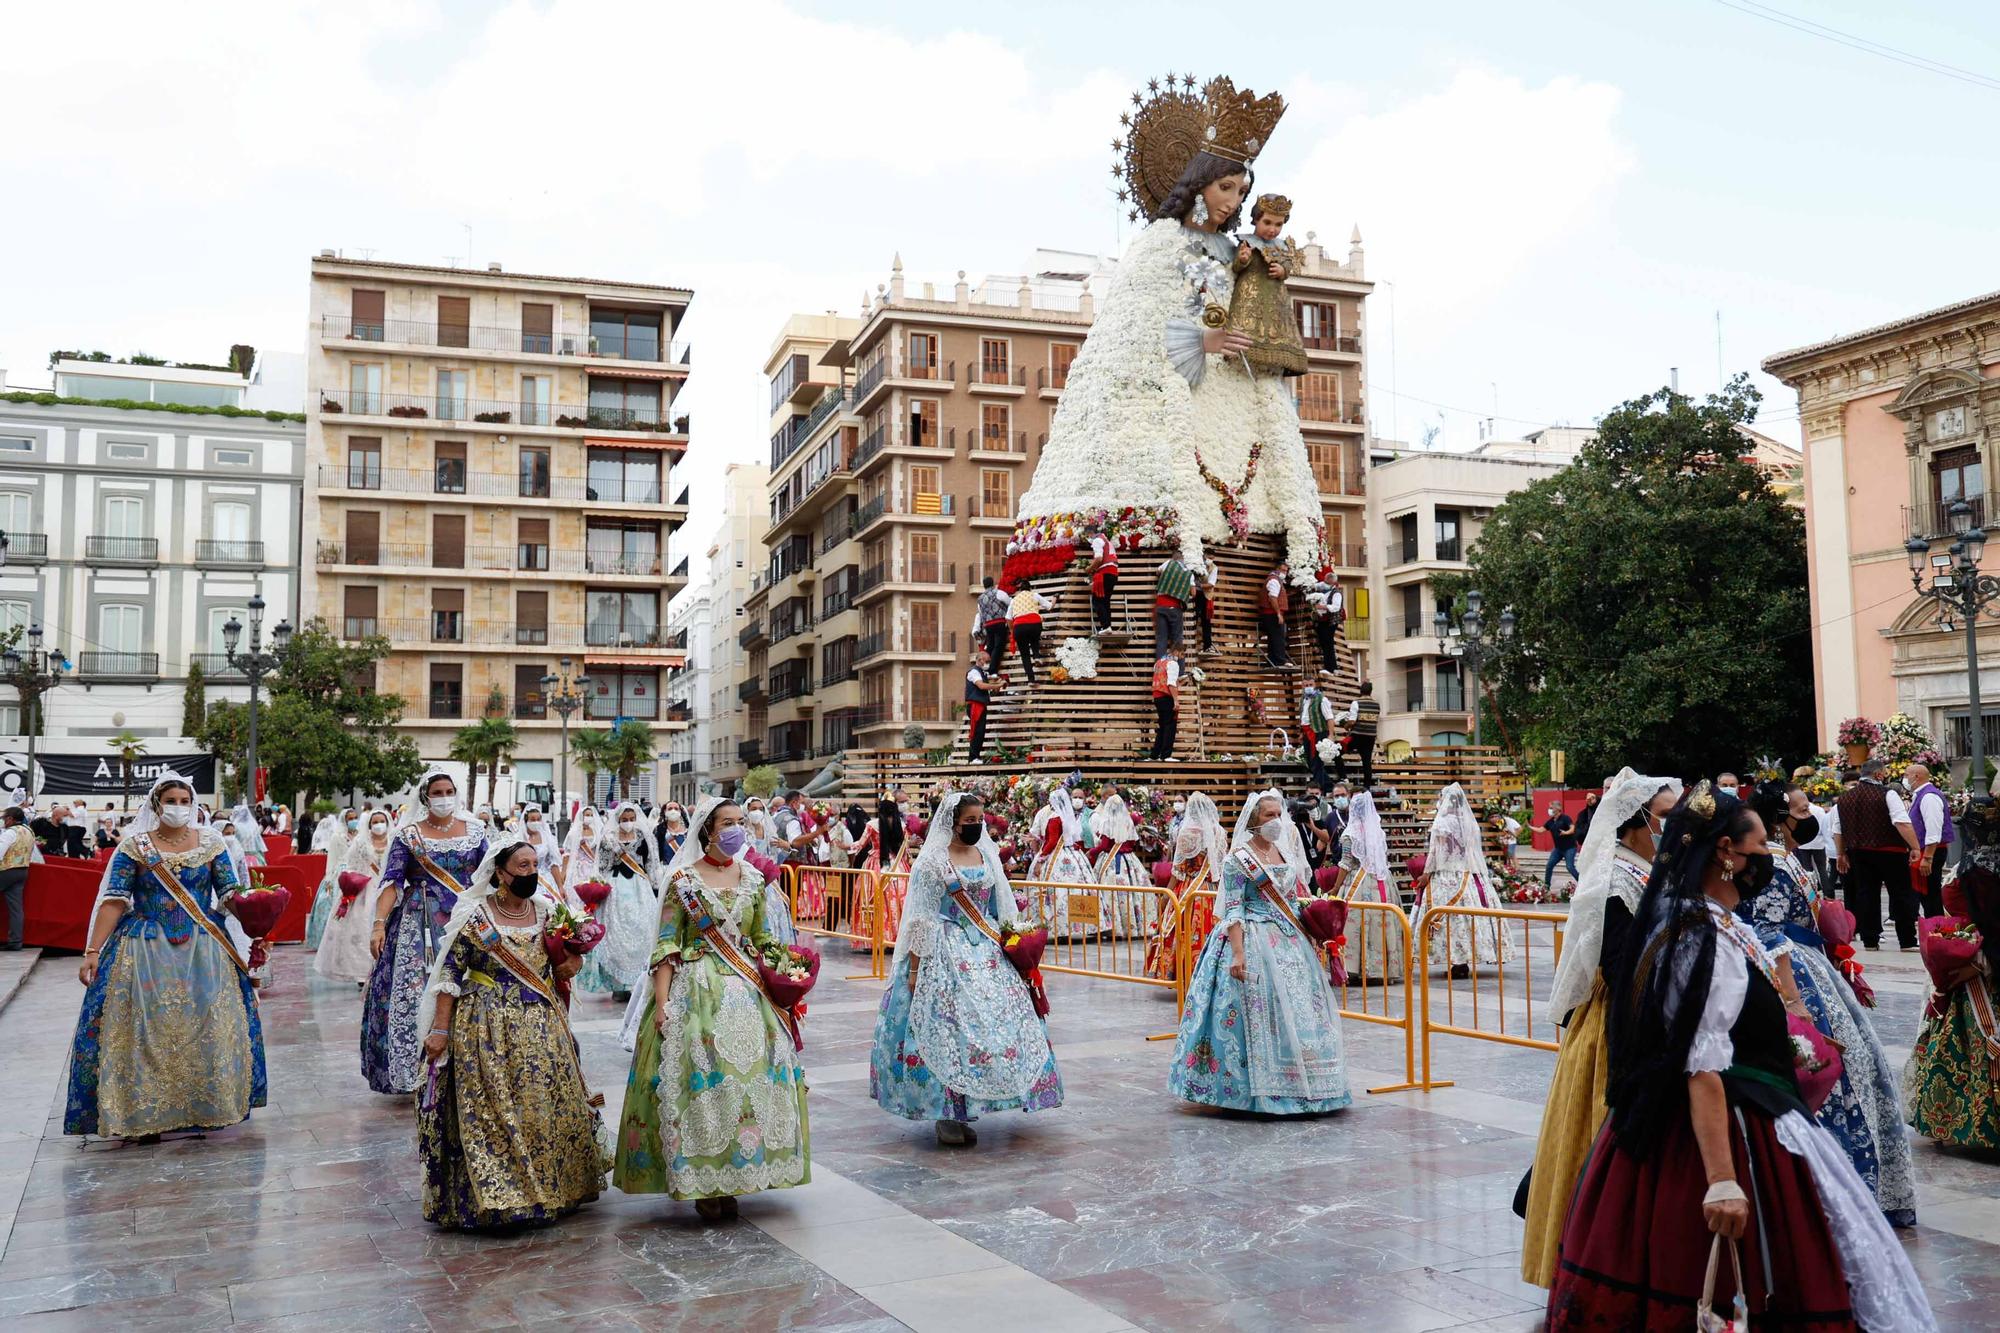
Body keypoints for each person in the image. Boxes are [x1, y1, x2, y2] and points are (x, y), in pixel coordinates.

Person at [1547, 784, 1935, 1332]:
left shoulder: (1712, 923)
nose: (1763, 861)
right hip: (1717, 1134)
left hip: (1744, 1113)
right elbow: (1701, 1062)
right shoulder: (1697, 935)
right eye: (1756, 848)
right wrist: (1723, 1180)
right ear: (1726, 852)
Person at [614, 796, 809, 1219]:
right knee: (701, 1082)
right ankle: (702, 1179)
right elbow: (667, 945)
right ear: (707, 830)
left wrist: (789, 973)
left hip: (747, 991)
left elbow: (761, 939)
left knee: (752, 1082)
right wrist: (663, 1004)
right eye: (727, 822)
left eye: (740, 821)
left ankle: (738, 1172)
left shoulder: (754, 879)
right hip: (696, 989)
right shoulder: (682, 881)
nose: (736, 828)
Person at [1520, 768, 1678, 1288]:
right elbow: (1616, 961)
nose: (1671, 827)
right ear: (1635, 823)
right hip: (1621, 1018)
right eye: (1664, 817)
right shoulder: (1613, 880)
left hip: (1655, 1009)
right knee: (1600, 1129)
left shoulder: (1653, 869)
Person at [1743, 782, 1916, 1228]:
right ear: (1782, 817)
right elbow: (1766, 926)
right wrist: (1794, 997)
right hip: (1793, 968)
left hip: (1810, 961)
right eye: (1800, 809)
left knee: (1850, 1063)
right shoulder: (1771, 863)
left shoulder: (1784, 857)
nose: (1808, 816)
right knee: (1829, 1067)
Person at [66, 773, 266, 1141]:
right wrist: (92, 950)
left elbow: (229, 893)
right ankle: (144, 1116)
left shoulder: (211, 844)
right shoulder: (135, 847)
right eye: (171, 800)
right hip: (144, 948)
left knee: (206, 1025)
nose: (178, 806)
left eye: (184, 800)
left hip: (203, 948)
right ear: (157, 805)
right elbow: (114, 900)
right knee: (143, 1030)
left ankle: (202, 1108)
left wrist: (259, 919)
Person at [416, 839, 601, 1229]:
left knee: (540, 1108)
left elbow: (563, 956)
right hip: (487, 1026)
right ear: (500, 873)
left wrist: (574, 960)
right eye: (522, 866)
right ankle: (503, 1196)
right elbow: (450, 973)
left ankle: (549, 1188)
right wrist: (440, 1029)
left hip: (540, 1025)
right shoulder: (478, 918)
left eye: (535, 864)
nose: (531, 873)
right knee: (495, 1111)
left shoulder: (548, 912)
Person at [870, 792, 1062, 1146]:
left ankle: (984, 1098)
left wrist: (1017, 944)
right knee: (946, 1030)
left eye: (979, 821)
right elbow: (921, 919)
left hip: (987, 951)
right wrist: (913, 971)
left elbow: (1000, 904)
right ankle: (947, 1113)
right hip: (943, 953)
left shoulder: (986, 856)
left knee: (998, 1028)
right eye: (969, 822)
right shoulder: (932, 863)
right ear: (952, 823)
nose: (976, 826)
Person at [1168, 789, 1350, 1114]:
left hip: (1288, 940)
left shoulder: (1283, 854)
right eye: (1269, 815)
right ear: (1255, 821)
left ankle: (1306, 1082)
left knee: (1298, 1011)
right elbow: (1233, 908)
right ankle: (1247, 1090)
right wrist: (1238, 954)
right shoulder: (1239, 859)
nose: (1276, 821)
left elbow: (1292, 900)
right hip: (1250, 937)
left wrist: (1317, 929)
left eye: (1279, 815)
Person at [362, 770, 487, 1096]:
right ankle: (420, 1068)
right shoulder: (409, 835)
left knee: (470, 986)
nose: (444, 796)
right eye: (437, 791)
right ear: (425, 797)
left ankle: (468, 1064)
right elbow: (391, 882)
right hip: (419, 924)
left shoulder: (475, 832)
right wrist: (378, 925)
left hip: (466, 921)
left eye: (449, 790)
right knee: (417, 991)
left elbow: (492, 875)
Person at [1906, 796, 2000, 1150]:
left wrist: (1976, 961)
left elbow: (1992, 925)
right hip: (1982, 957)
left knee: (1976, 1042)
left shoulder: (1978, 868)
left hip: (1982, 968)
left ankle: (1972, 1120)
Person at [1413, 784, 1513, 973]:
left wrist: (1426, 874)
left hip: (1446, 874)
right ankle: (1467, 957)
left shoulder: (1441, 822)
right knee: (1467, 916)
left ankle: (1455, 959)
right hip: (1468, 874)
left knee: (1450, 917)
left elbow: (1435, 852)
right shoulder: (1467, 822)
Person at [576, 801, 660, 1001]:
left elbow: (650, 862)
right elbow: (602, 865)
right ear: (618, 819)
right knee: (615, 931)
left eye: (631, 819)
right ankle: (618, 985)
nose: (628, 823)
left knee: (641, 929)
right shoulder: (609, 838)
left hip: (640, 888)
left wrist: (655, 885)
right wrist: (598, 889)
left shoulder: (643, 837)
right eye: (624, 820)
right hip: (616, 889)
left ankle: (639, 981)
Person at [1834, 758, 1921, 949]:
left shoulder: (1845, 798)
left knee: (1866, 894)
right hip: (1891, 850)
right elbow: (1902, 822)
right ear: (1878, 774)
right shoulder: (1887, 794)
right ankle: (1907, 940)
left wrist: (1841, 853)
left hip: (1858, 852)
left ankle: (1870, 939)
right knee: (1901, 894)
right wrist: (1915, 847)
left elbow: (1838, 829)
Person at [1147, 791, 1225, 982]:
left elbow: (1179, 868)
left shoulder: (1188, 833)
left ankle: (1183, 974)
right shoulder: (1219, 832)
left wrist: (1167, 894)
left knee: (1184, 931)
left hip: (1189, 888)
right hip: (1212, 888)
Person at [1335, 788, 1401, 983]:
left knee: (1357, 925)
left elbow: (1346, 863)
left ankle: (1357, 968)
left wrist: (1335, 888)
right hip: (1381, 882)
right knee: (1382, 923)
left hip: (1358, 881)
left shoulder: (1350, 834)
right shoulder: (1378, 832)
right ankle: (1382, 968)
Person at [317, 809, 391, 985]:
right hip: (366, 890)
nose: (379, 825)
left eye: (382, 821)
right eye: (375, 822)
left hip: (388, 890)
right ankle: (363, 972)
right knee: (362, 930)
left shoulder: (394, 841)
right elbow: (351, 865)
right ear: (369, 825)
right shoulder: (361, 843)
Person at [1028, 786, 1098, 940]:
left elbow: (1052, 841)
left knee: (1055, 892)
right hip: (1074, 855)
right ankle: (1080, 925)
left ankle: (1056, 928)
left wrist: (1040, 860)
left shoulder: (1054, 817)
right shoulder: (1067, 817)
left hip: (1056, 857)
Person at [849, 796, 911, 952]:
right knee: (898, 902)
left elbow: (859, 845)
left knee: (873, 901)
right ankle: (896, 938)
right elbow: (906, 852)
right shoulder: (901, 825)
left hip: (875, 865)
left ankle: (873, 939)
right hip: (898, 866)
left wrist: (847, 847)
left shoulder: (871, 825)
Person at [304, 807, 354, 949]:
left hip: (356, 871)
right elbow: (332, 859)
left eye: (354, 818)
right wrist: (329, 877)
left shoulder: (358, 836)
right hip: (339, 873)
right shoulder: (337, 836)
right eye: (350, 819)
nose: (353, 821)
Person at [1904, 762, 1950, 918]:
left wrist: (1928, 858)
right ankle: (1933, 928)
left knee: (1930, 894)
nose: (1905, 778)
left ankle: (1936, 928)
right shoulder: (1921, 795)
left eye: (1906, 775)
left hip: (1930, 851)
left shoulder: (1929, 796)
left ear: (1916, 776)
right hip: (1924, 851)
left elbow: (1933, 829)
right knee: (1925, 894)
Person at [1333, 682, 1379, 786]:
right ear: (1371, 691)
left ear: (1360, 691)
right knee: (1366, 762)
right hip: (1370, 737)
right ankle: (1367, 787)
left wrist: (1345, 725)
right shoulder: (1377, 705)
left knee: (1336, 752)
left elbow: (1352, 721)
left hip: (1357, 735)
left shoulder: (1356, 703)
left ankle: (1343, 777)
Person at [1007, 579, 1053, 684]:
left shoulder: (1014, 600)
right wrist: (1055, 599)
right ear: (1030, 588)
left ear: (1019, 590)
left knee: (1024, 654)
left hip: (1019, 626)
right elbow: (1049, 606)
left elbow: (1008, 618)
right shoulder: (1034, 595)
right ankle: (1037, 656)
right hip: (1034, 623)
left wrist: (1012, 630)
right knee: (1034, 638)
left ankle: (1031, 680)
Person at [0, 807, 31, 949]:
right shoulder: (28, 831)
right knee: (16, 909)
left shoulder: (9, 833)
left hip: (6, 870)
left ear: (10, 819)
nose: (3, 822)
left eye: (4, 819)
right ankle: (15, 941)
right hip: (22, 870)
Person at [1153, 555, 1193, 659]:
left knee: (1162, 640)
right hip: (1175, 608)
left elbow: (1158, 572)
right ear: (1183, 560)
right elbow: (1193, 593)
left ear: (1174, 558)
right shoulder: (1188, 573)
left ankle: (1160, 671)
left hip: (1160, 606)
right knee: (1177, 641)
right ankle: (1179, 672)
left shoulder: (1168, 563)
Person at [1148, 642, 1183, 762]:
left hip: (1157, 696)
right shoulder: (1173, 664)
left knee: (1163, 726)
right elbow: (1171, 684)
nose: (1181, 657)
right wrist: (1176, 701)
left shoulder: (1159, 662)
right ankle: (1166, 755)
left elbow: (1162, 679)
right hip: (1166, 696)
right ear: (1177, 652)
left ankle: (1155, 754)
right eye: (1182, 654)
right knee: (1170, 726)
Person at [964, 657, 1003, 763]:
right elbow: (981, 686)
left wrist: (998, 684)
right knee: (976, 731)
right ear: (980, 660)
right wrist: (997, 685)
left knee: (980, 732)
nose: (987, 663)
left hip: (981, 704)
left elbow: (989, 687)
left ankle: (975, 756)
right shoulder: (974, 672)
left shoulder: (982, 673)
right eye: (986, 661)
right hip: (975, 705)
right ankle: (973, 758)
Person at [1299, 684, 1335, 791]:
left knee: (1316, 762)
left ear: (1314, 685)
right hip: (1306, 732)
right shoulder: (1303, 699)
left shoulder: (1322, 699)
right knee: (1310, 762)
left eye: (1310, 684)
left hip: (1318, 732)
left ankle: (1318, 788)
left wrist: (1331, 734)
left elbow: (1329, 718)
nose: (1308, 687)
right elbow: (1303, 717)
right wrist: (1301, 733)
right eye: (1306, 685)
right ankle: (1329, 786)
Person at [1085, 523, 1120, 636]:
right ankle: (1107, 627)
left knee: (1097, 600)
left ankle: (1105, 626)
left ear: (1090, 533)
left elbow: (1099, 558)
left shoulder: (1097, 540)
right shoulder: (1106, 540)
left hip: (1105, 572)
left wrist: (1089, 568)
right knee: (1105, 601)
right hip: (1114, 572)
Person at [1258, 562, 1293, 670]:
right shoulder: (1274, 580)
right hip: (1272, 614)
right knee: (1278, 637)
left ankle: (1273, 661)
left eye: (1286, 571)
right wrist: (1278, 613)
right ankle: (1280, 661)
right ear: (1277, 569)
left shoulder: (1276, 580)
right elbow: (1272, 598)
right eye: (1283, 570)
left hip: (1270, 614)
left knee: (1274, 637)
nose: (1285, 573)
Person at [1306, 580, 1342, 679]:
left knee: (1328, 643)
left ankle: (1331, 667)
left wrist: (1321, 606)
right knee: (1325, 643)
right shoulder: (1325, 593)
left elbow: (1335, 607)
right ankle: (1330, 667)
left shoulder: (1336, 593)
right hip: (1323, 621)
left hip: (1331, 621)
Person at [976, 575, 1011, 673]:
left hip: (988, 624)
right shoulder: (999, 593)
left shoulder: (980, 598)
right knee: (998, 645)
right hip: (999, 622)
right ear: (993, 583)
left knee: (990, 645)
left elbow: (980, 612)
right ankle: (992, 669)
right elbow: (1010, 603)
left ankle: (984, 665)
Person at [1540, 802, 1577, 888]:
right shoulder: (1551, 821)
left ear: (1557, 809)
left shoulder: (1565, 818)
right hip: (1558, 849)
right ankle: (1547, 885)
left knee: (1570, 867)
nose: (1550, 810)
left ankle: (1582, 883)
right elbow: (1541, 830)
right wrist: (1529, 826)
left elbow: (1572, 828)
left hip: (1569, 848)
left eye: (1551, 808)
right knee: (1549, 865)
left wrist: (1566, 832)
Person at [1192, 560, 1217, 656]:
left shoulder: (1214, 568)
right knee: (1194, 618)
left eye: (1212, 558)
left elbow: (1211, 584)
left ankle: (1207, 646)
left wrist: (1199, 585)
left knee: (1206, 621)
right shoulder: (1197, 563)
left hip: (1206, 596)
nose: (1209, 560)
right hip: (1196, 594)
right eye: (1208, 557)